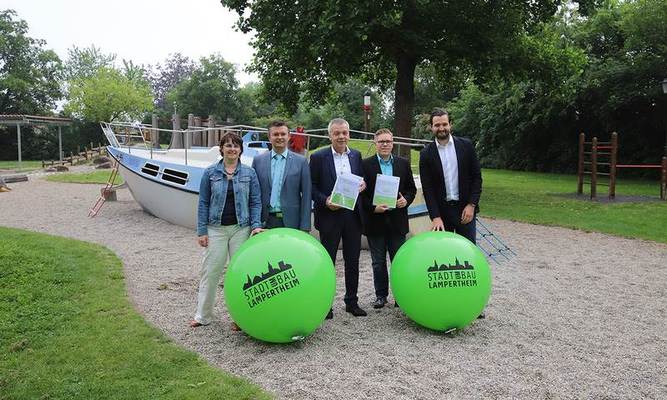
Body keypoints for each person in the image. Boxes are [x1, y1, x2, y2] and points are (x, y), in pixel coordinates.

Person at [190, 132, 262, 329]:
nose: (232, 149)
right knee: (210, 271)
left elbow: (255, 202)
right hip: (216, 229)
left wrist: (256, 226)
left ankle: (240, 318)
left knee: (241, 274)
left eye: (236, 145)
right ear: (221, 148)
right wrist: (201, 230)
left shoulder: (249, 173)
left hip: (241, 228)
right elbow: (203, 202)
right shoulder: (210, 172)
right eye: (228, 145)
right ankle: (203, 315)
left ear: (241, 150)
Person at [310, 118, 367, 318]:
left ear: (349, 134)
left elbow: (361, 180)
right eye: (337, 133)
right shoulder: (318, 157)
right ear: (330, 135)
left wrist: (363, 185)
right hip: (329, 216)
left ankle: (352, 302)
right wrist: (325, 201)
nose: (341, 136)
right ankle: (325, 305)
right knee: (327, 263)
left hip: (353, 216)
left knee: (353, 261)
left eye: (344, 132)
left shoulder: (357, 156)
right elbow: (312, 187)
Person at [361, 128, 417, 309]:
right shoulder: (365, 165)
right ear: (375, 143)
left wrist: (405, 200)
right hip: (375, 220)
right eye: (381, 141)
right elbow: (361, 195)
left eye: (388, 141)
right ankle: (381, 296)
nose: (385, 144)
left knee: (399, 262)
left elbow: (411, 189)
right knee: (377, 262)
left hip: (397, 220)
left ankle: (400, 296)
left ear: (393, 143)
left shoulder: (403, 163)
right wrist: (373, 207)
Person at [419, 108, 482, 244]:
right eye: (437, 125)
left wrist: (472, 204)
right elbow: (427, 189)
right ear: (431, 127)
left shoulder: (466, 146)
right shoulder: (425, 154)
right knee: (443, 255)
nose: (441, 128)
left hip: (465, 210)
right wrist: (435, 217)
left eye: (444, 124)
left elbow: (477, 178)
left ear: (450, 125)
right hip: (442, 214)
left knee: (467, 253)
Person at [252, 120, 312, 231]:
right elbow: (253, 194)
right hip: (264, 220)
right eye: (275, 134)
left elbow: (307, 196)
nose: (280, 137)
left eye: (283, 134)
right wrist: (255, 223)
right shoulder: (258, 161)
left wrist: (305, 226)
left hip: (291, 221)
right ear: (269, 137)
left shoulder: (301, 162)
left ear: (289, 136)